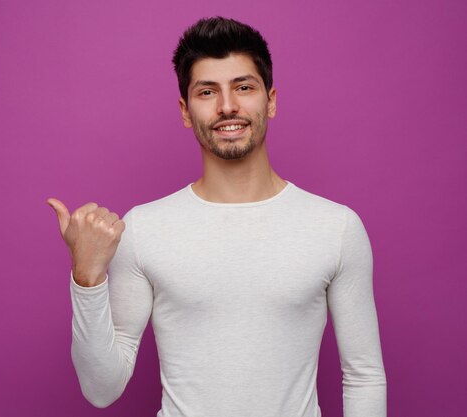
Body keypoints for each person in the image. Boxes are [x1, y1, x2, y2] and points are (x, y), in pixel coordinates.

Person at [47, 16, 387, 417]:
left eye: (244, 87)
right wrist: (87, 279)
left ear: (271, 100)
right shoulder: (144, 228)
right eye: (207, 91)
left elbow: (364, 375)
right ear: (186, 110)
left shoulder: (336, 227)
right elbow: (101, 388)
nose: (228, 106)